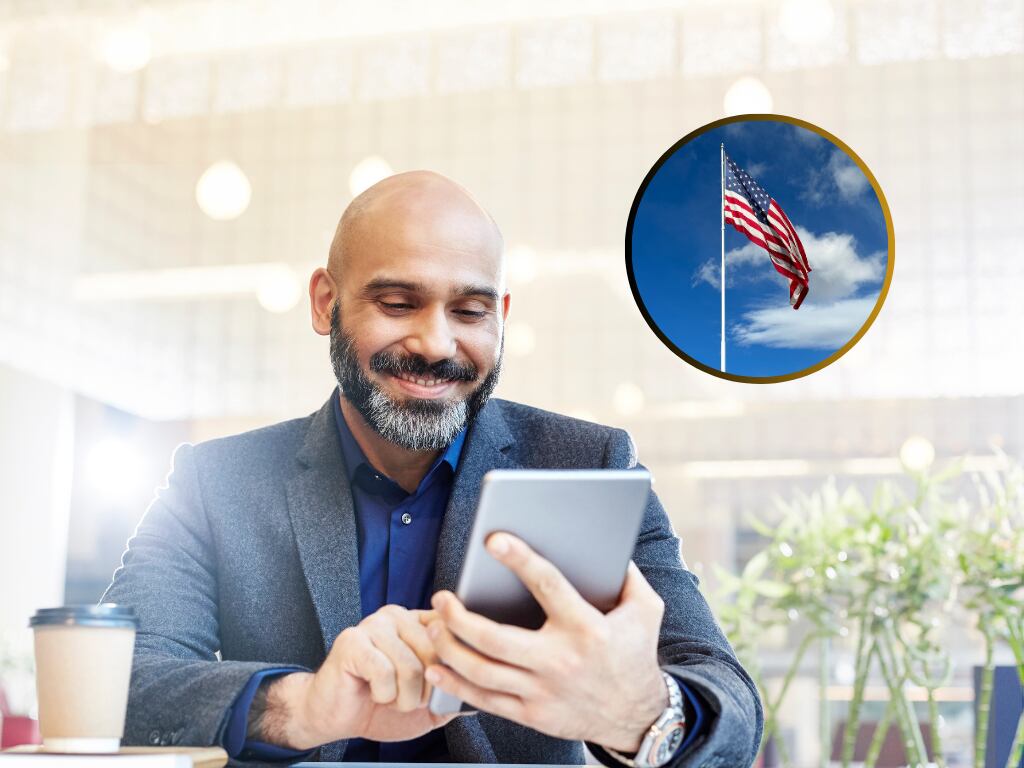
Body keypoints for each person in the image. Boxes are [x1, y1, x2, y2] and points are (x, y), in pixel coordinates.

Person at [103, 171, 763, 767]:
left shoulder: (591, 462)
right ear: (325, 303)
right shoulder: (213, 483)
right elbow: (117, 685)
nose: (437, 343)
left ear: (500, 318)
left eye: (470, 312)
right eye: (397, 303)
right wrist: (300, 707)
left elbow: (729, 704)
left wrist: (642, 711)